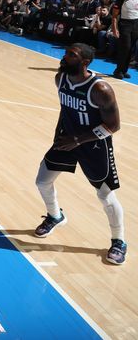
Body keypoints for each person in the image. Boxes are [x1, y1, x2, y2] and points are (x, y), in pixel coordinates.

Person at [34, 43, 127, 265]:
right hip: (67, 140)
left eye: (71, 55)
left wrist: (78, 139)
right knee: (42, 181)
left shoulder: (100, 89)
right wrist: (61, 135)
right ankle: (56, 216)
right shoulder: (61, 79)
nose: (64, 57)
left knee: (104, 195)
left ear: (85, 62)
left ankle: (119, 241)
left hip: (94, 145)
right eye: (66, 53)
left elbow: (113, 126)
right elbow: (65, 110)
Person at [111, 0, 138, 79]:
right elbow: (114, 16)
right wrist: (114, 29)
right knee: (125, 48)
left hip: (136, 25)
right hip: (125, 24)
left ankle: (124, 70)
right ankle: (118, 70)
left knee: (131, 49)